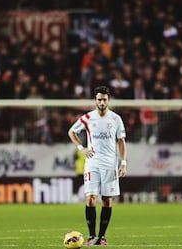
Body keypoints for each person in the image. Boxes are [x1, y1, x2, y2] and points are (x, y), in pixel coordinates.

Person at [68, 86, 127, 246]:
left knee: (107, 201)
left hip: (110, 165)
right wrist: (81, 148)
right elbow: (71, 132)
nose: (102, 102)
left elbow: (121, 141)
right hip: (92, 164)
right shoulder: (87, 118)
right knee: (90, 198)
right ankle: (91, 236)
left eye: (104, 99)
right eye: (99, 99)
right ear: (95, 100)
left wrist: (123, 163)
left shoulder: (116, 119)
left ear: (108, 100)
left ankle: (102, 237)